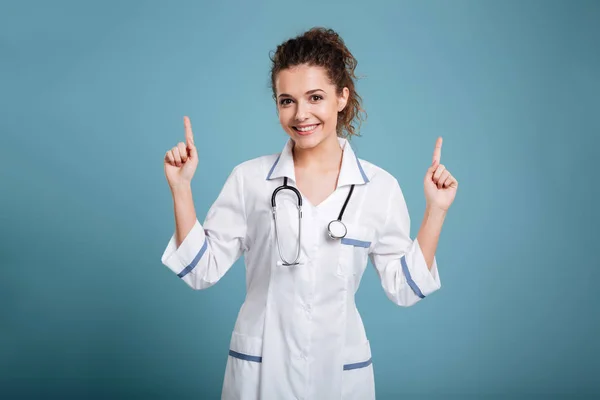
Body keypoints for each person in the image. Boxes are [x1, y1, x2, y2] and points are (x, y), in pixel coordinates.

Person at [161, 27, 458, 400]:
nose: (301, 114)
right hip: (260, 371)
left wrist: (436, 210)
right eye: (287, 101)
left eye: (315, 97)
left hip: (341, 374)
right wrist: (181, 188)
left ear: (341, 97)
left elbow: (405, 288)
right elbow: (200, 271)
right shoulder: (249, 179)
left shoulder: (379, 188)